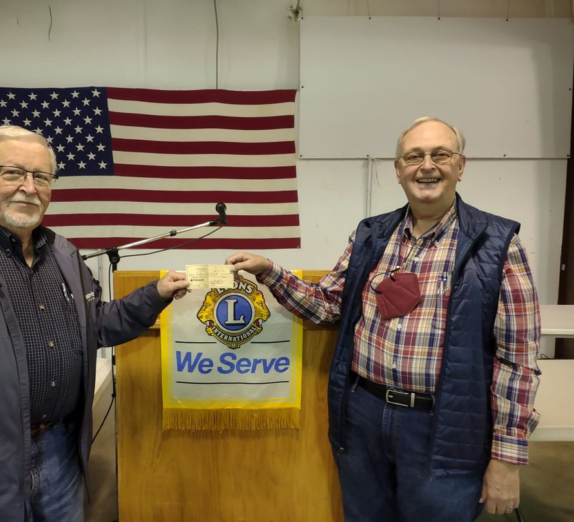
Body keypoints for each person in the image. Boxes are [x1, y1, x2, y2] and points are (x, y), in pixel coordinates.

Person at [227, 117, 540, 521]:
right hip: (364, 417)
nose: (427, 166)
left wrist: (507, 459)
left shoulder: (497, 245)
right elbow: (328, 304)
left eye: (440, 155)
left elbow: (517, 359)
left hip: (446, 426)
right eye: (414, 156)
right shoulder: (372, 235)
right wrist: (269, 271)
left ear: (460, 166)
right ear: (397, 169)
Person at [0, 126, 189, 521]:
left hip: (61, 456)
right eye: (12, 172)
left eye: (41, 176)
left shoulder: (63, 254)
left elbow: (94, 326)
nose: (29, 187)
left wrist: (155, 294)